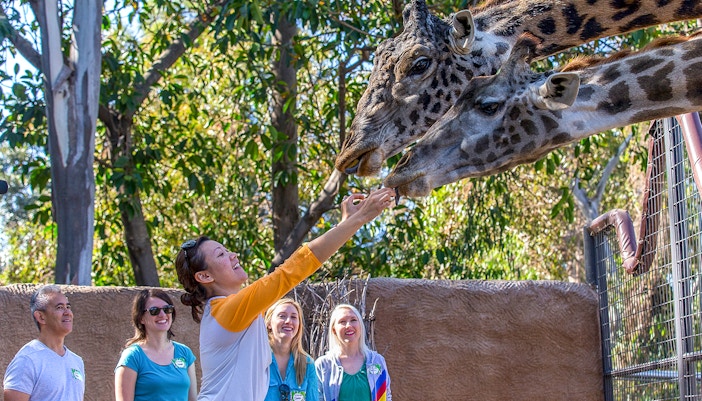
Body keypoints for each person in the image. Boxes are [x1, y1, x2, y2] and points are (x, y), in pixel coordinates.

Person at [175, 187, 394, 401]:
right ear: (204, 277)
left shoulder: (234, 312)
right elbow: (294, 269)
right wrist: (359, 218)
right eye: (221, 254)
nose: (232, 255)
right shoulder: (227, 312)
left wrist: (344, 225)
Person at [3, 284, 85, 401]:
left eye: (68, 306)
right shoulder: (27, 360)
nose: (68, 312)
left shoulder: (77, 361)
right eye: (59, 307)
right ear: (41, 317)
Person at [115, 289, 197, 401]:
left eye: (167, 309)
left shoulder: (185, 353)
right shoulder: (133, 356)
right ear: (141, 318)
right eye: (154, 311)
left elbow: (192, 399)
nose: (162, 315)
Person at [316, 304, 392, 401]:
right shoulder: (323, 365)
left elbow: (386, 397)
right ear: (334, 330)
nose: (349, 325)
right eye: (342, 322)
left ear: (360, 326)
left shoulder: (377, 361)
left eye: (353, 320)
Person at [264, 298, 318, 401]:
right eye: (282, 316)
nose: (288, 321)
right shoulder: (258, 361)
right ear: (269, 324)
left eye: (293, 317)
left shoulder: (307, 364)